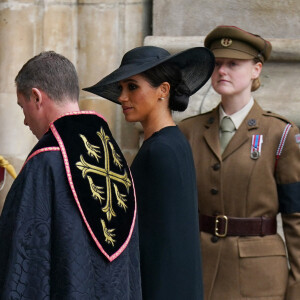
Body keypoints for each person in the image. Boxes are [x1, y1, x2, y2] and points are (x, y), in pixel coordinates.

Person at [0, 51, 142, 299]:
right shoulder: (116, 160)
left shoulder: (45, 164)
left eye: (23, 108)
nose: (24, 121)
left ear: (36, 97)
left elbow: (24, 265)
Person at [83, 45, 215, 299]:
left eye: (132, 87)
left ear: (163, 91)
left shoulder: (161, 150)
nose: (122, 97)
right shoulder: (171, 142)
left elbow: (166, 243)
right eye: (121, 88)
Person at [179, 25, 300, 300]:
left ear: (256, 69)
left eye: (234, 64)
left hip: (259, 279)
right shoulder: (188, 132)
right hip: (199, 270)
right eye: (218, 64)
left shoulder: (280, 134)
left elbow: (296, 219)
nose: (223, 71)